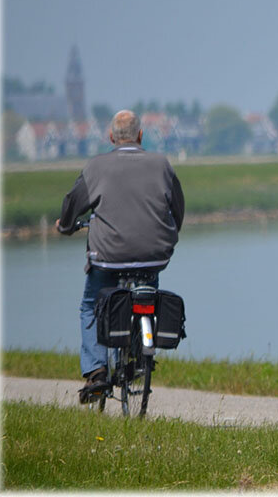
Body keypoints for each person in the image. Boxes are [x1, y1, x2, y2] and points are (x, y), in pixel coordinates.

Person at [56, 110, 185, 402]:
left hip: (108, 257)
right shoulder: (162, 164)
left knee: (91, 306)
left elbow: (72, 204)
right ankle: (139, 351)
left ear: (111, 137)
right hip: (154, 254)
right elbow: (178, 207)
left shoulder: (96, 167)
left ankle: (96, 371)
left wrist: (65, 227)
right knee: (146, 294)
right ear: (141, 136)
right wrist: (169, 233)